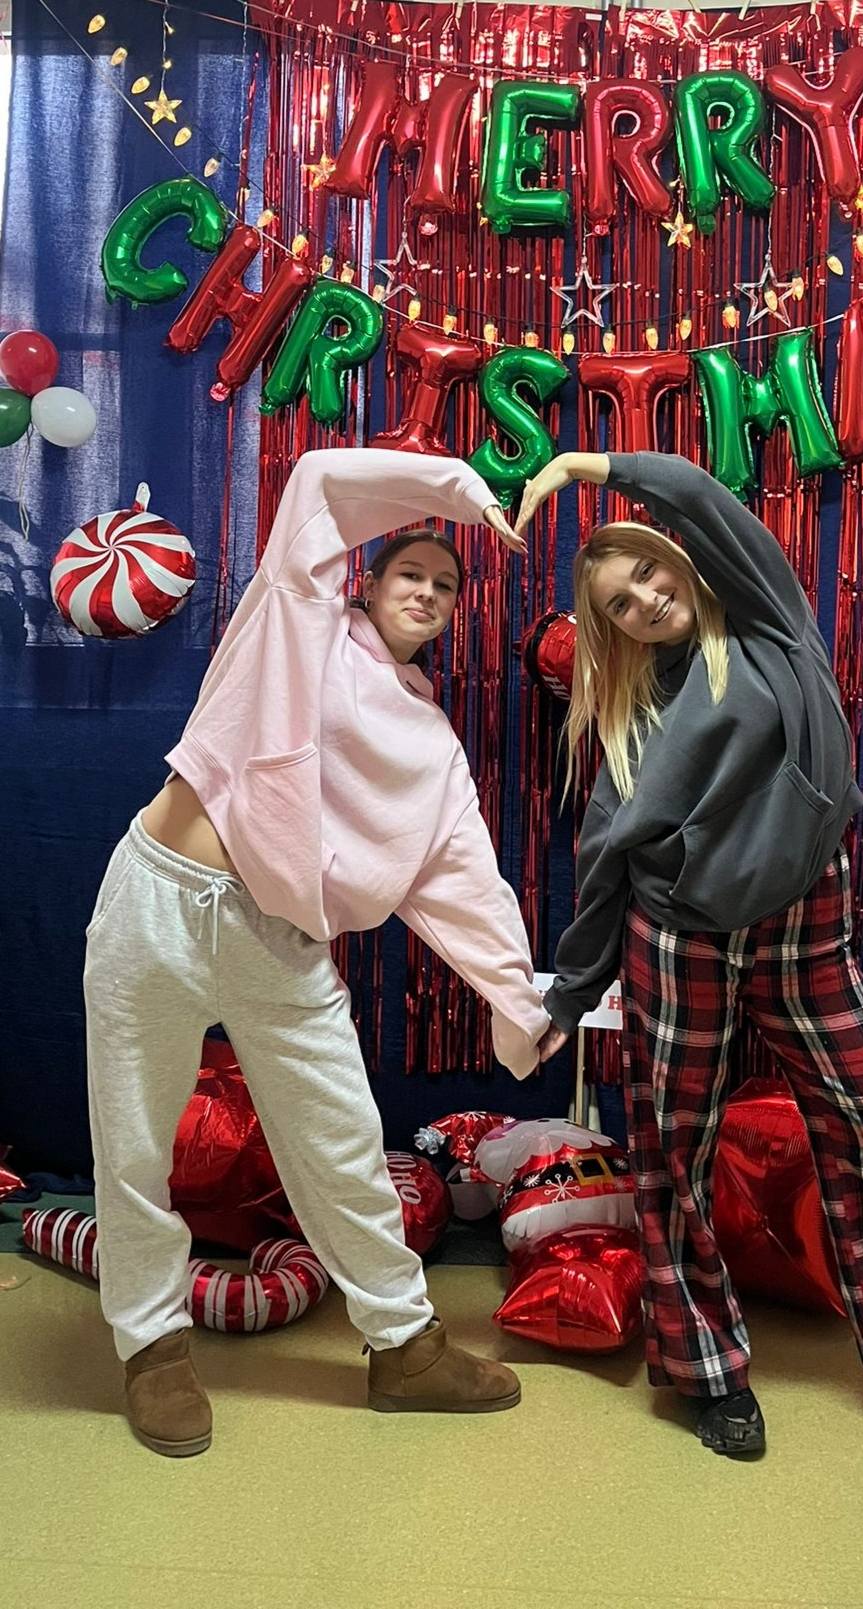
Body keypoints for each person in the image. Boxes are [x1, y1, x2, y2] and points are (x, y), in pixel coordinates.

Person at [523, 450, 863, 1460]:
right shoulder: (633, 711)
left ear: (680, 560)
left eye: (648, 572)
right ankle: (705, 1372)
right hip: (678, 937)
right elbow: (604, 857)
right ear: (612, 630)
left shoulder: (766, 625)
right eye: (621, 603)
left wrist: (588, 466)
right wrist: (571, 993)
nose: (646, 599)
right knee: (671, 1151)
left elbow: (699, 496)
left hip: (805, 925)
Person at [86, 449, 553, 1457]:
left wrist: (520, 998)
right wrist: (459, 494)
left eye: (445, 585)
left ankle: (406, 1347)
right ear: (367, 582)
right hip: (159, 896)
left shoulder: (428, 742)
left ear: (452, 613)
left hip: (279, 938)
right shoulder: (295, 617)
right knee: (132, 1140)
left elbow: (464, 875)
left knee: (342, 1139)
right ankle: (152, 1347)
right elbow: (317, 484)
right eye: (410, 572)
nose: (426, 591)